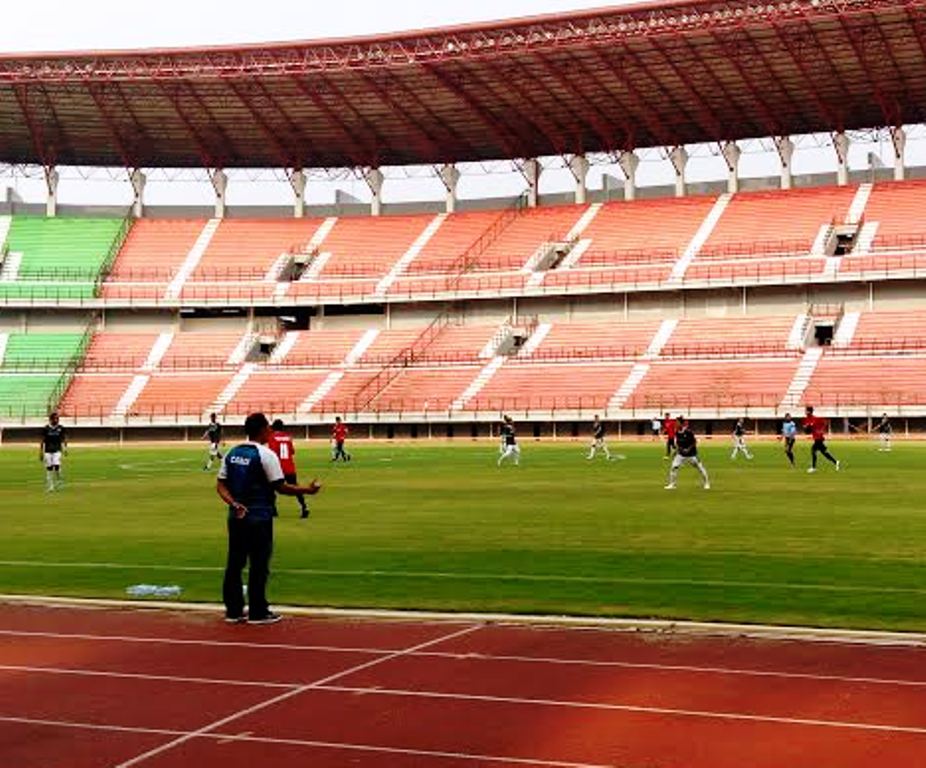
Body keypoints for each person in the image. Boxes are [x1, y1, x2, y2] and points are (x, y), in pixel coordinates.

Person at [217, 412, 321, 624]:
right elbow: (280, 487)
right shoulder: (266, 455)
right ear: (263, 429)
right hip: (259, 516)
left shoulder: (232, 453)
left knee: (235, 563)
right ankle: (258, 611)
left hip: (236, 516)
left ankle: (233, 610)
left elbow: (220, 484)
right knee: (259, 564)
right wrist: (308, 491)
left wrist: (234, 503)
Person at [268, 419, 309, 518]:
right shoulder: (288, 437)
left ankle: (273, 510)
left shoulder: (272, 437)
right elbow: (292, 452)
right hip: (290, 467)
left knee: (270, 488)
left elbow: (272, 453)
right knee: (295, 488)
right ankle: (304, 507)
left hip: (278, 467)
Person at [664, 417, 710, 490]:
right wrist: (675, 452)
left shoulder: (688, 432)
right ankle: (672, 484)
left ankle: (707, 483)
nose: (676, 424)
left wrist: (688, 449)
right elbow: (678, 444)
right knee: (673, 467)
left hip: (692, 455)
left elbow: (694, 442)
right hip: (681, 454)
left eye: (677, 422)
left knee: (700, 468)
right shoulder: (677, 432)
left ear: (681, 424)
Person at [802, 405, 840, 473]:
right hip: (816, 438)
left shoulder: (816, 418)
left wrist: (821, 430)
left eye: (806, 411)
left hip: (819, 438)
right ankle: (836, 462)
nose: (805, 412)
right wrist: (806, 428)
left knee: (813, 450)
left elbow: (825, 422)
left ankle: (813, 468)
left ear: (809, 411)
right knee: (825, 453)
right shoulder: (807, 419)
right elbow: (807, 430)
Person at [39, 412, 67, 493]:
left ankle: (59, 480)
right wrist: (41, 452)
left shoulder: (61, 428)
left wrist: (65, 449)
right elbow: (42, 441)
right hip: (47, 451)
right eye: (55, 418)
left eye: (58, 418)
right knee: (49, 468)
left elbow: (63, 439)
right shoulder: (46, 428)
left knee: (56, 465)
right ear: (51, 419)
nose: (57, 420)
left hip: (57, 450)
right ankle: (50, 486)